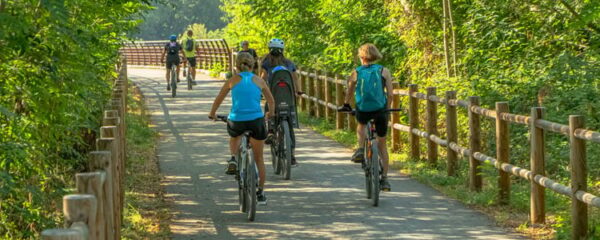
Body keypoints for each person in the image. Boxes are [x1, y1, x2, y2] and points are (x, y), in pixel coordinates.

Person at [209, 52, 275, 205]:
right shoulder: (259, 81)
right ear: (253, 66)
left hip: (237, 120)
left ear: (236, 66)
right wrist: (270, 114)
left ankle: (233, 158)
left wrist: (212, 114)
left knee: (235, 134)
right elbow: (271, 100)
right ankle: (260, 193)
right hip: (256, 121)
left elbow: (218, 99)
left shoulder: (232, 80)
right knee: (259, 159)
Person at [340, 43, 394, 191]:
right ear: (375, 55)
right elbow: (390, 94)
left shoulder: (356, 71)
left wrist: (346, 104)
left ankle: (359, 149)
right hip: (380, 110)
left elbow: (350, 90)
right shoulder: (384, 71)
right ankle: (385, 180)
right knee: (382, 145)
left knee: (361, 125)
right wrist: (387, 109)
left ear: (362, 56)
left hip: (363, 108)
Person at [260, 38, 302, 166]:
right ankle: (292, 155)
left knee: (269, 107)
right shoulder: (289, 63)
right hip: (288, 98)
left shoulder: (266, 63)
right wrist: (299, 91)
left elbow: (262, 78)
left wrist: (260, 92)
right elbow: (295, 78)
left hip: (273, 95)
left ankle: (271, 130)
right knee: (289, 126)